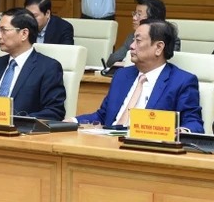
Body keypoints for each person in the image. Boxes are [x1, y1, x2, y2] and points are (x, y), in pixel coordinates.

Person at [76, 20, 204, 132]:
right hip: (107, 142)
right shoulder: (122, 75)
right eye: (133, 40)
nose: (131, 46)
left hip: (145, 146)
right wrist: (72, 121)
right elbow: (102, 116)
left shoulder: (181, 81)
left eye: (138, 41)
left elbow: (193, 123)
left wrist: (180, 131)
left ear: (159, 48)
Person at [106, 0, 180, 66]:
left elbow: (161, 65)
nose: (134, 18)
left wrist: (126, 62)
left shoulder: (169, 39)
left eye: (139, 14)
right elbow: (112, 60)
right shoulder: (132, 36)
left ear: (153, 19)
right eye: (135, 13)